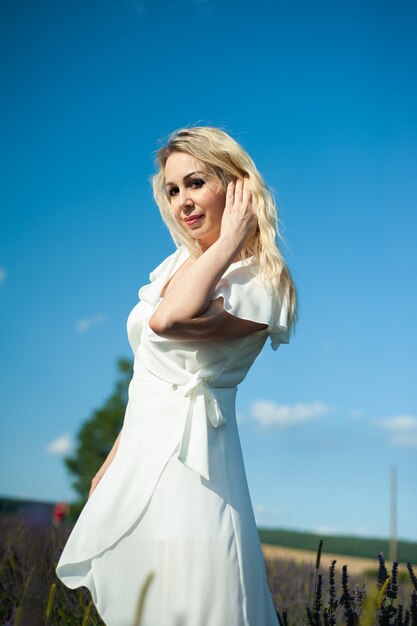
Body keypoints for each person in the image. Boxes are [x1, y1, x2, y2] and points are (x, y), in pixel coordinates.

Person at [55, 125, 298, 626]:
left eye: (195, 183)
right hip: (145, 453)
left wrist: (232, 237)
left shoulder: (261, 281)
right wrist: (114, 457)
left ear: (235, 187)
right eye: (172, 190)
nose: (182, 201)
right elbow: (150, 372)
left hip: (196, 466)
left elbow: (169, 321)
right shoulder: (175, 266)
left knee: (196, 601)